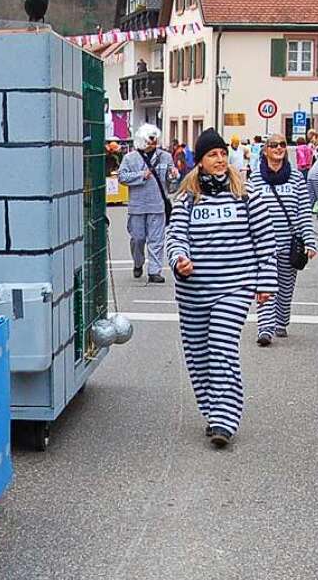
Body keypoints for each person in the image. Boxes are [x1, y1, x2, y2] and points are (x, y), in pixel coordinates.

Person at [166, 128, 277, 449]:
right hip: (194, 290)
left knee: (222, 348)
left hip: (234, 285)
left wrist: (265, 283)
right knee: (198, 354)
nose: (219, 159)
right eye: (211, 155)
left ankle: (225, 420)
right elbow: (176, 236)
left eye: (221, 154)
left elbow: (265, 243)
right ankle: (212, 412)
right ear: (199, 161)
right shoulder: (187, 197)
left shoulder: (247, 194)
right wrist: (179, 259)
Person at [246, 133, 317, 346]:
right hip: (263, 242)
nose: (278, 148)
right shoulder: (256, 178)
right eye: (274, 145)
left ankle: (281, 321)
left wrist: (310, 240)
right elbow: (248, 210)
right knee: (265, 284)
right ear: (265, 150)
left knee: (286, 287)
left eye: (282, 145)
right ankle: (264, 328)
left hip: (289, 240)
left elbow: (304, 211)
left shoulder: (295, 177)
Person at [117, 124, 176, 282]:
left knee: (156, 240)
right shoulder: (130, 158)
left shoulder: (165, 157)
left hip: (157, 205)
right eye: (150, 139)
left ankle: (154, 271)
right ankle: (138, 262)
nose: (153, 142)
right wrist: (141, 175)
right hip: (137, 206)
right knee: (138, 238)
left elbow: (171, 182)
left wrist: (173, 176)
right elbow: (122, 177)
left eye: (155, 138)